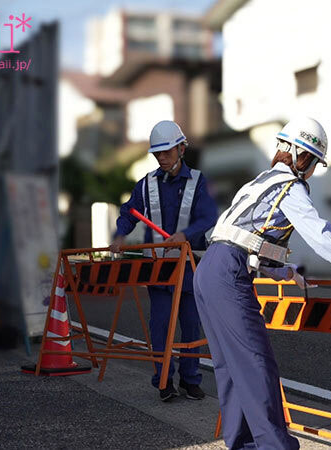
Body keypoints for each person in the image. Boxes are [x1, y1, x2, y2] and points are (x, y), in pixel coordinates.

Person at [193, 117, 331, 449]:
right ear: (301, 156)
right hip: (228, 272)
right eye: (312, 163)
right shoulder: (288, 187)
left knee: (231, 369)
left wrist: (286, 271)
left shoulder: (259, 182)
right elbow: (320, 233)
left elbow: (250, 240)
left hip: (210, 268)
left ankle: (243, 445)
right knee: (256, 365)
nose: (310, 171)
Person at [110, 120, 218, 402]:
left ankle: (191, 380)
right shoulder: (146, 185)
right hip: (158, 270)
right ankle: (163, 382)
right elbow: (129, 212)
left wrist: (186, 233)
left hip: (190, 268)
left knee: (190, 325)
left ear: (182, 148)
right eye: (157, 153)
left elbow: (209, 217)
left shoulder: (198, 181)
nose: (161, 157)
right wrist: (120, 235)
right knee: (160, 327)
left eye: (167, 151)